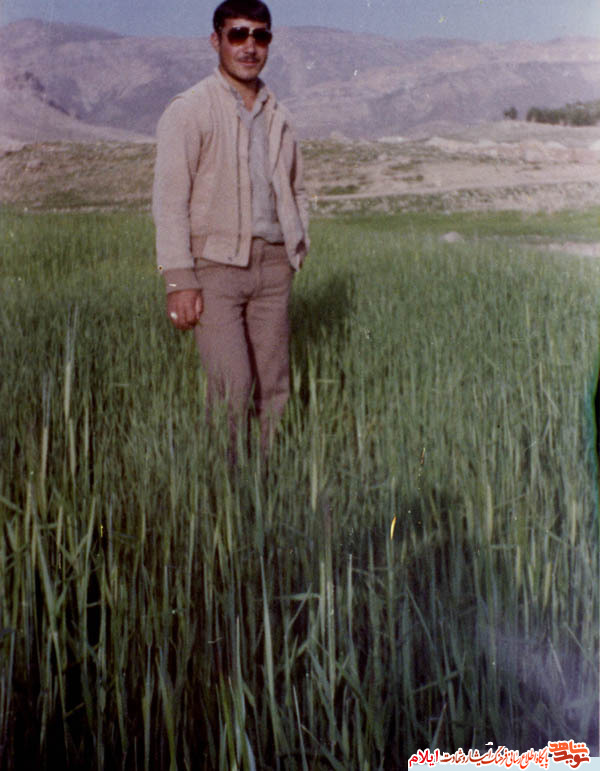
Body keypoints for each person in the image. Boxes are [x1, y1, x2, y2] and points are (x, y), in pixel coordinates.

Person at [152, 0, 309, 455]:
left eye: (260, 35)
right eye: (238, 34)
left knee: (274, 385)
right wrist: (179, 280)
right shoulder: (190, 109)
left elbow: (296, 188)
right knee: (231, 385)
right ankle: (222, 486)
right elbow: (169, 200)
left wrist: (296, 247)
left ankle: (269, 483)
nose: (249, 46)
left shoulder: (279, 115)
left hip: (273, 268)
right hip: (216, 268)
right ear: (216, 40)